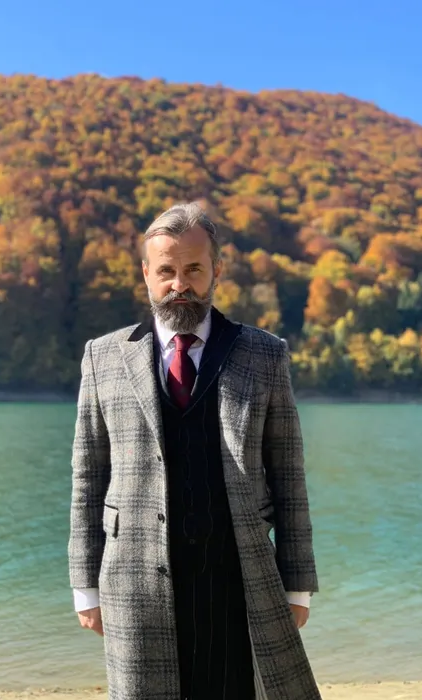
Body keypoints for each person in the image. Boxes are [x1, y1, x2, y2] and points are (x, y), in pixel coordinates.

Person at [68, 202, 321, 700]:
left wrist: (297, 585)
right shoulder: (103, 357)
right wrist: (84, 584)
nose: (179, 284)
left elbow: (289, 476)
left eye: (193, 269)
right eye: (166, 271)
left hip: (238, 575)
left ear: (216, 270)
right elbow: (88, 477)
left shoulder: (265, 354)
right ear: (146, 273)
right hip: (134, 579)